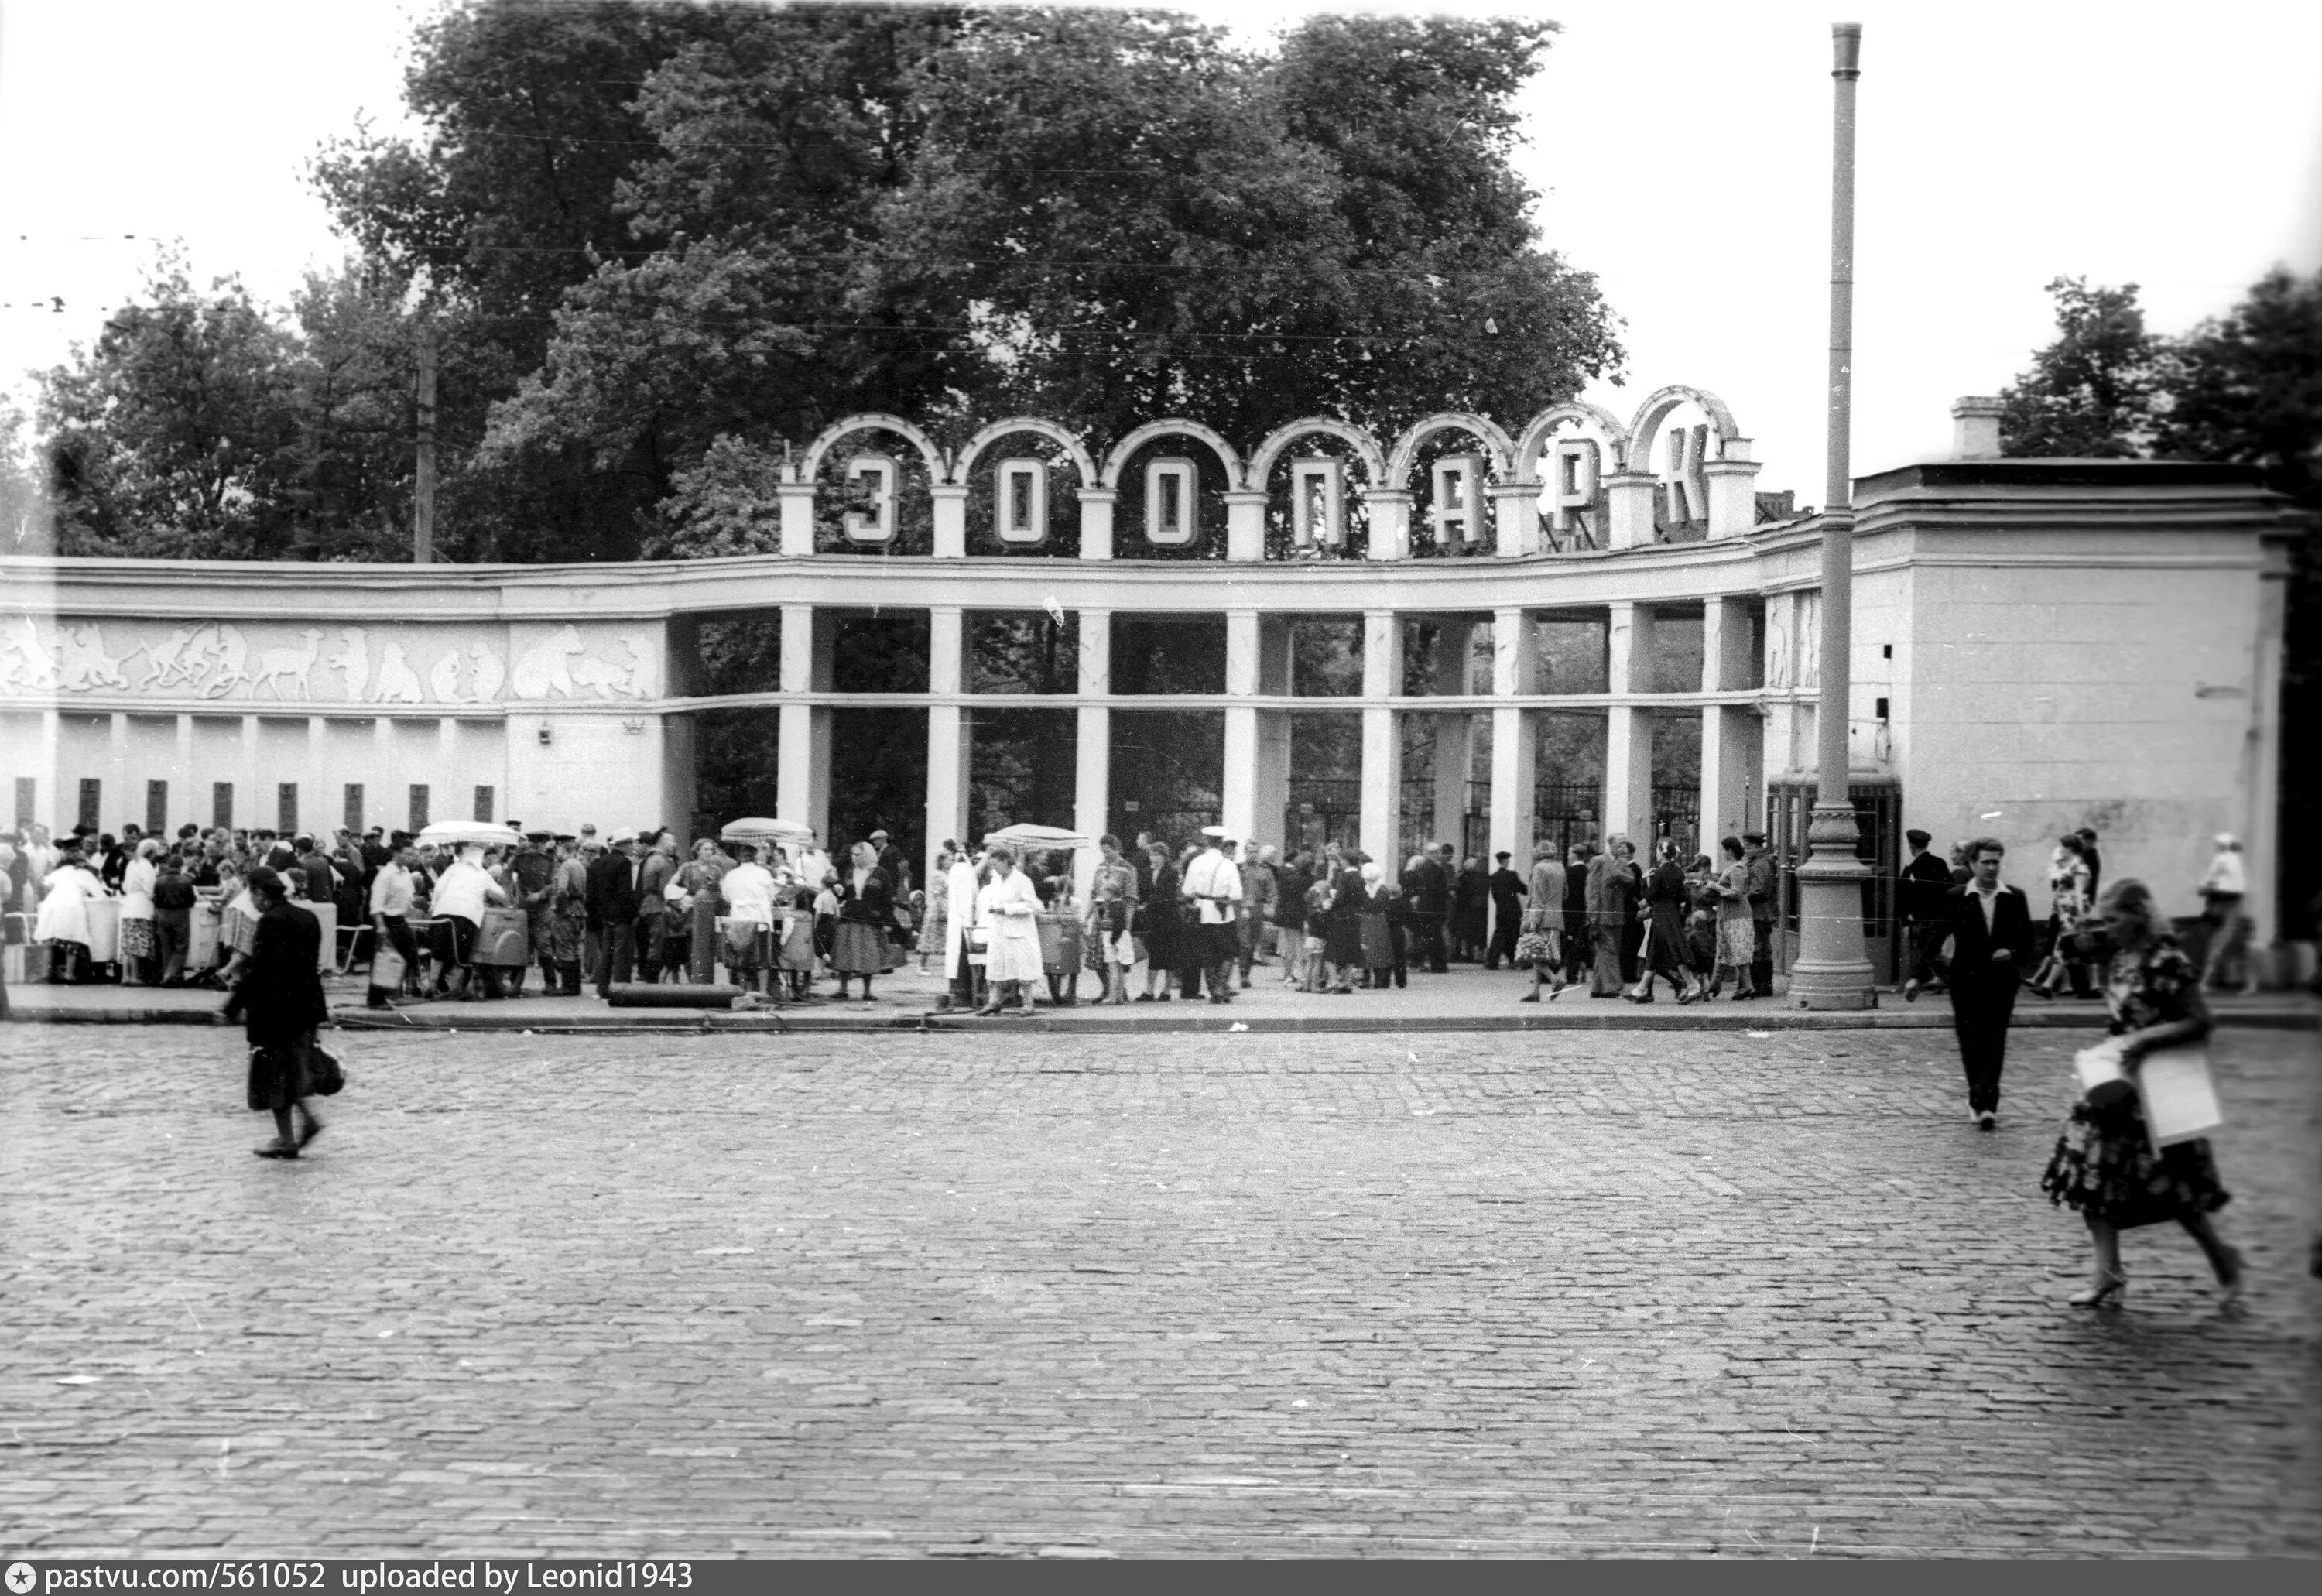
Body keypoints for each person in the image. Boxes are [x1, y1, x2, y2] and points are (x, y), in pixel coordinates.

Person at [2040, 878, 2244, 1310]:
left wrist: (2145, 1040)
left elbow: (2199, 1021)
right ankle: (2108, 1272)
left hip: (2157, 1089)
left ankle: (2223, 1257)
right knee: (2089, 1180)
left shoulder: (2165, 959)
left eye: (2113, 919)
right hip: (2114, 1085)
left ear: (2138, 915)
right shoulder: (2118, 957)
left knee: (2177, 1188)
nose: (2106, 928)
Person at [223, 866, 330, 1160]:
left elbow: (260, 971)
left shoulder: (271, 921)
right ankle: (306, 1121)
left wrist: (231, 1007)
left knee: (273, 1075)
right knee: (294, 1070)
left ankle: (286, 1139)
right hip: (306, 1006)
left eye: (251, 894)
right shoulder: (308, 916)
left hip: (275, 1010)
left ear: (259, 892)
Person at [1944, 836, 2036, 1129]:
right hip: (1965, 983)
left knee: (1995, 1040)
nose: (1992, 868)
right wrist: (1918, 978)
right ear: (1972, 864)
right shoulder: (1956, 897)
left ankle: (1988, 1104)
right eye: (1986, 862)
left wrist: (2012, 953)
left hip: (2001, 983)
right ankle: (1976, 1097)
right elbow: (1936, 937)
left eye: (1996, 862)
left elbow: (2029, 943)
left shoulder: (2014, 897)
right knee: (1971, 1042)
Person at [429, 843, 509, 1001]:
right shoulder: (483, 874)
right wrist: (505, 900)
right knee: (461, 954)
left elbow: (439, 887)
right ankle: (456, 989)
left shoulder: (454, 868)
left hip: (442, 910)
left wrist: (433, 903)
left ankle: (431, 987)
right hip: (466, 914)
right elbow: (500, 895)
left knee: (438, 953)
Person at [1627, 837, 1698, 1003]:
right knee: (1654, 951)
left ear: (1662, 852)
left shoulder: (1658, 873)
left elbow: (1652, 897)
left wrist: (1641, 902)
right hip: (1671, 913)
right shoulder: (1679, 872)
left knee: (1674, 950)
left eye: (1658, 851)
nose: (1657, 854)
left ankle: (1693, 986)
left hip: (1660, 914)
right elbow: (1681, 896)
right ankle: (1640, 989)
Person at [975, 844, 1043, 1015]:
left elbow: (1031, 906)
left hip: (1018, 932)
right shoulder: (995, 880)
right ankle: (994, 1002)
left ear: (1006, 862)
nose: (994, 869)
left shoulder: (1022, 880)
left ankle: (1028, 1004)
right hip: (999, 929)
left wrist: (1006, 909)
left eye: (996, 865)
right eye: (992, 866)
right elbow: (994, 898)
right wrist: (994, 906)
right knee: (995, 965)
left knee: (1023, 969)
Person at [2028, 834, 2095, 999]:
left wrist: (2080, 913)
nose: (2060, 850)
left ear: (2070, 848)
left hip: (2073, 912)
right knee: (2067, 949)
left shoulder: (2078, 865)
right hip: (2065, 911)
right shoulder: (2071, 864)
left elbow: (2079, 891)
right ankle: (2050, 986)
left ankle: (2048, 985)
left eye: (2062, 847)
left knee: (2064, 947)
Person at [831, 840, 899, 1002]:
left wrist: (888, 922)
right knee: (844, 953)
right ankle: (843, 989)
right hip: (850, 916)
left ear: (867, 854)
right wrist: (839, 892)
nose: (854, 858)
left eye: (858, 854)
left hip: (870, 918)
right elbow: (845, 895)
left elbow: (887, 899)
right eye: (853, 855)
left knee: (868, 955)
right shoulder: (849, 872)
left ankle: (867, 991)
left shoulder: (880, 873)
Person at [1182, 826, 1243, 1004]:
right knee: (1229, 951)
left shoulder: (1196, 862)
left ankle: (1212, 988)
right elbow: (1237, 895)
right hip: (1223, 913)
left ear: (1207, 841)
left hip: (1202, 911)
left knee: (1207, 952)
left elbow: (1187, 890)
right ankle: (1220, 986)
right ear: (1222, 843)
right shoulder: (1228, 864)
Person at [34, 844, 104, 984]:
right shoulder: (85, 874)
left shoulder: (60, 872)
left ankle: (46, 974)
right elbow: (101, 896)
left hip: (52, 905)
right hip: (72, 906)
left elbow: (44, 884)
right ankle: (69, 974)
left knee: (50, 941)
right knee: (72, 942)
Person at [586, 830, 645, 997]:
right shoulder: (624, 863)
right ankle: (621, 990)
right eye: (631, 843)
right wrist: (633, 914)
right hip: (622, 917)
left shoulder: (602, 862)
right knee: (623, 954)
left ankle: (602, 989)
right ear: (624, 844)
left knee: (607, 953)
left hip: (606, 915)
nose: (633, 846)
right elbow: (625, 892)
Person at [1899, 828, 1955, 1002]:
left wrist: (1905, 919)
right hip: (1940, 917)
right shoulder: (1940, 863)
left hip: (1921, 918)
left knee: (1923, 951)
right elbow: (1950, 889)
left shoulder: (1912, 868)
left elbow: (1904, 895)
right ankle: (1936, 981)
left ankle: (1935, 981)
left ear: (1911, 846)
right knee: (1933, 951)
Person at [1085, 834, 1139, 1005]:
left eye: (1108, 851)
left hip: (1117, 916)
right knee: (1097, 957)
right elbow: (1094, 894)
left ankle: (1117, 992)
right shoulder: (1100, 868)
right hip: (1100, 916)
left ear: (1117, 849)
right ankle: (1108, 988)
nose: (1105, 855)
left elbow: (1131, 898)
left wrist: (1128, 923)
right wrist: (1087, 916)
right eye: (1103, 852)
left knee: (1116, 957)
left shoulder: (1127, 868)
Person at [2197, 834, 2255, 994]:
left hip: (2230, 910)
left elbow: (2210, 883)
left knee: (2220, 946)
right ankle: (2249, 983)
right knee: (2235, 948)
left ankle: (2205, 981)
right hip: (2229, 910)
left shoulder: (2226, 861)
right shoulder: (2232, 863)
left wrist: (2207, 887)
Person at [718, 841, 779, 995]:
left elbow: (727, 897)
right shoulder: (764, 874)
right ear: (755, 855)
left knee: (741, 959)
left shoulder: (731, 875)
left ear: (740, 856)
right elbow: (772, 896)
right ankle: (763, 992)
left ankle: (742, 991)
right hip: (760, 918)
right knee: (762, 959)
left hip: (739, 918)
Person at [509, 829, 560, 996]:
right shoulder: (519, 858)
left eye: (538, 845)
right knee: (521, 945)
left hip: (541, 909)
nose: (537, 848)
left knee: (543, 944)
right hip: (523, 907)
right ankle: (515, 985)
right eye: (539, 844)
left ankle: (550, 984)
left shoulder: (549, 861)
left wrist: (540, 894)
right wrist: (511, 894)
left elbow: (552, 884)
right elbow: (506, 874)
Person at [1516, 841, 1567, 1002]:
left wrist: (1533, 921)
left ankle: (1555, 980)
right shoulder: (1560, 867)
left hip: (1542, 918)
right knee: (1540, 954)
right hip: (1556, 917)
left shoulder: (1539, 868)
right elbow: (1565, 893)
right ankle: (1535, 991)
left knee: (1534, 953)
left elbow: (1537, 897)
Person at [1134, 841, 1183, 1002]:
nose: (1153, 858)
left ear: (1164, 857)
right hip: (1153, 920)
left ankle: (1167, 991)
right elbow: (1142, 892)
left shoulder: (1171, 872)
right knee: (1154, 954)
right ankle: (1149, 990)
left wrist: (1148, 904)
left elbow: (1166, 894)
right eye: (1151, 855)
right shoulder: (1146, 872)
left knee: (1169, 955)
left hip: (1169, 919)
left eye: (1157, 855)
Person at [1712, 835, 1758, 1000]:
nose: (1723, 853)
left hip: (1737, 916)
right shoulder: (1733, 867)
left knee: (1738, 951)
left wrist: (1715, 887)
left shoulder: (1737, 868)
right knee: (1726, 949)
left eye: (1724, 850)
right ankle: (1716, 984)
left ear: (1730, 851)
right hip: (1728, 915)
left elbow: (1737, 894)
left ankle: (1747, 986)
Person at [1584, 836, 1628, 998]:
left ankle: (1597, 988)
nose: (1623, 847)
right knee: (1608, 951)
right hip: (1601, 913)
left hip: (1617, 914)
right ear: (1610, 845)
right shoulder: (1599, 861)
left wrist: (1618, 875)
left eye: (1625, 843)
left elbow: (1631, 880)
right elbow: (1592, 889)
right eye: (1620, 844)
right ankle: (1613, 987)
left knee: (1608, 951)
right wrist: (1593, 914)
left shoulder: (1623, 863)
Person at [119, 837, 161, 985]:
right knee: (137, 943)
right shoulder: (147, 865)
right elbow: (149, 887)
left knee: (127, 943)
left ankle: (126, 976)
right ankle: (135, 976)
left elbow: (124, 886)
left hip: (128, 904)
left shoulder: (132, 863)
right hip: (141, 905)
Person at [151, 851, 197, 987]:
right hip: (180, 915)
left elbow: (156, 900)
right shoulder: (186, 881)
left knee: (167, 948)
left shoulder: (159, 881)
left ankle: (170, 975)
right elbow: (191, 901)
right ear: (181, 866)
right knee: (181, 947)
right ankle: (169, 976)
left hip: (164, 915)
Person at [1743, 830, 1777, 998]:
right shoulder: (1763, 862)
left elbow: (1759, 889)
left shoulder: (1759, 866)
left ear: (1757, 847)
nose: (1746, 851)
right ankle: (1765, 985)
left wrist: (1742, 897)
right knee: (1763, 948)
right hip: (1764, 911)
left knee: (1758, 948)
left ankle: (1760, 985)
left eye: (1749, 848)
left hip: (1759, 911)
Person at [1482, 851, 1526, 970]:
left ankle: (1492, 961)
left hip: (1501, 910)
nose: (1509, 862)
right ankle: (1516, 960)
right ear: (1504, 861)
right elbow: (1523, 889)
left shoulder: (1494, 876)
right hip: (1513, 910)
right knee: (1515, 935)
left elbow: (1495, 896)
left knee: (1499, 936)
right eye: (1508, 860)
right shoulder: (1512, 875)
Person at [1450, 855, 1489, 961]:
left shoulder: (1463, 876)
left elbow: (1458, 890)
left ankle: (1462, 953)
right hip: (1473, 907)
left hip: (1463, 907)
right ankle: (1473, 954)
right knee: (1474, 931)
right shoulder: (1482, 876)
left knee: (1462, 932)